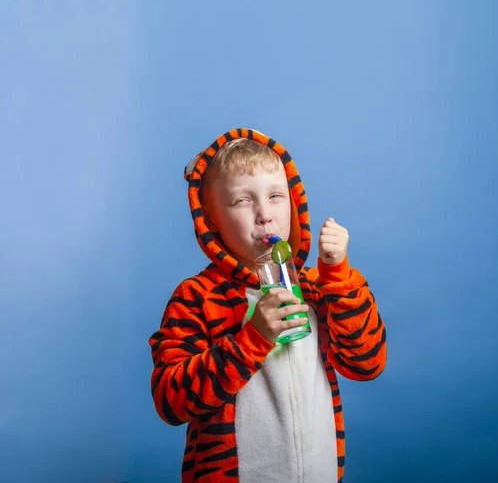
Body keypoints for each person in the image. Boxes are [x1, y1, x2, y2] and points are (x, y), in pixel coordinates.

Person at [149, 128, 387, 482]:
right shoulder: (196, 296)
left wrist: (338, 275)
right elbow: (171, 401)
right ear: (211, 219)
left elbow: (366, 364)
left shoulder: (318, 288)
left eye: (276, 196)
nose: (265, 214)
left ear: (294, 204)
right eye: (242, 201)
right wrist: (252, 339)